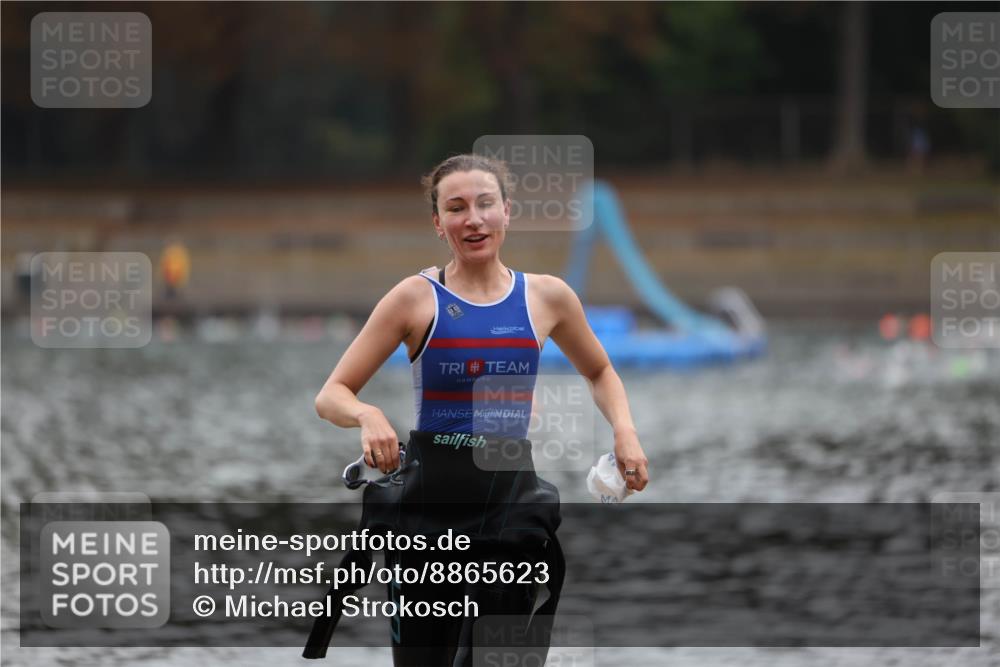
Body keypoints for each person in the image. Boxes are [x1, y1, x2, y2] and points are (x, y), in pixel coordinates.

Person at [303, 154, 649, 664]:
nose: (474, 219)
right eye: (457, 207)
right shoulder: (415, 299)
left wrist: (625, 432)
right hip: (426, 515)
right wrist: (367, 415)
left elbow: (600, 372)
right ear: (438, 224)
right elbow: (331, 393)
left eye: (485, 204)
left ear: (507, 212)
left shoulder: (547, 297)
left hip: (509, 508)